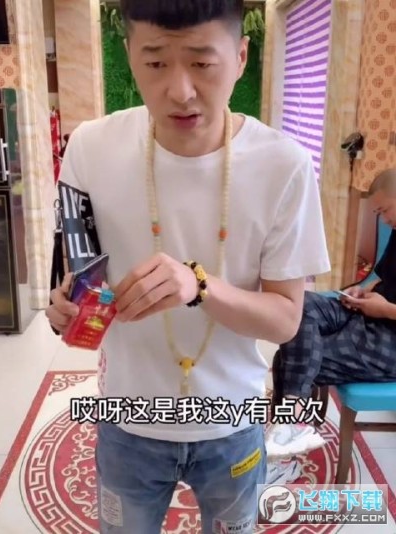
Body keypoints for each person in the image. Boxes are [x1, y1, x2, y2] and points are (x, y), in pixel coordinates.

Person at [45, 1, 330, 532]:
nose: (179, 90)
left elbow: (285, 320)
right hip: (128, 419)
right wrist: (66, 305)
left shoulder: (283, 165)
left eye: (202, 63)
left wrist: (198, 284)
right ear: (130, 55)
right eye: (156, 62)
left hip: (231, 421)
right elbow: (80, 274)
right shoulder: (89, 149)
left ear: (240, 56)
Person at [266, 168, 396, 459]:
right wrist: (363, 291)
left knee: (288, 360)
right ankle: (290, 429)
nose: (384, 219)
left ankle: (287, 434)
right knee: (301, 305)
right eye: (379, 213)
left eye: (386, 210)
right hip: (372, 313)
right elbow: (384, 277)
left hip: (390, 338)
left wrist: (385, 309)